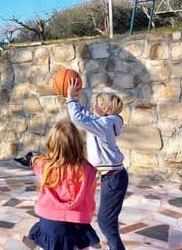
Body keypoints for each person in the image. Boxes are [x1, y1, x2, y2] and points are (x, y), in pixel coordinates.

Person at [67, 78, 128, 250]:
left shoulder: (104, 124)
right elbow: (85, 116)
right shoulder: (104, 122)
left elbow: (78, 119)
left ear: (105, 109)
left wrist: (71, 98)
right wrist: (73, 100)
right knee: (106, 221)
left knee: (106, 223)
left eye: (97, 104)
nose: (93, 106)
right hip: (113, 177)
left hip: (114, 179)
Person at [27, 120, 100, 250]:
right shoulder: (89, 170)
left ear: (51, 143)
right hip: (77, 223)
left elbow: (34, 160)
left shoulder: (43, 166)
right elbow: (90, 195)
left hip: (49, 223)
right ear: (77, 144)